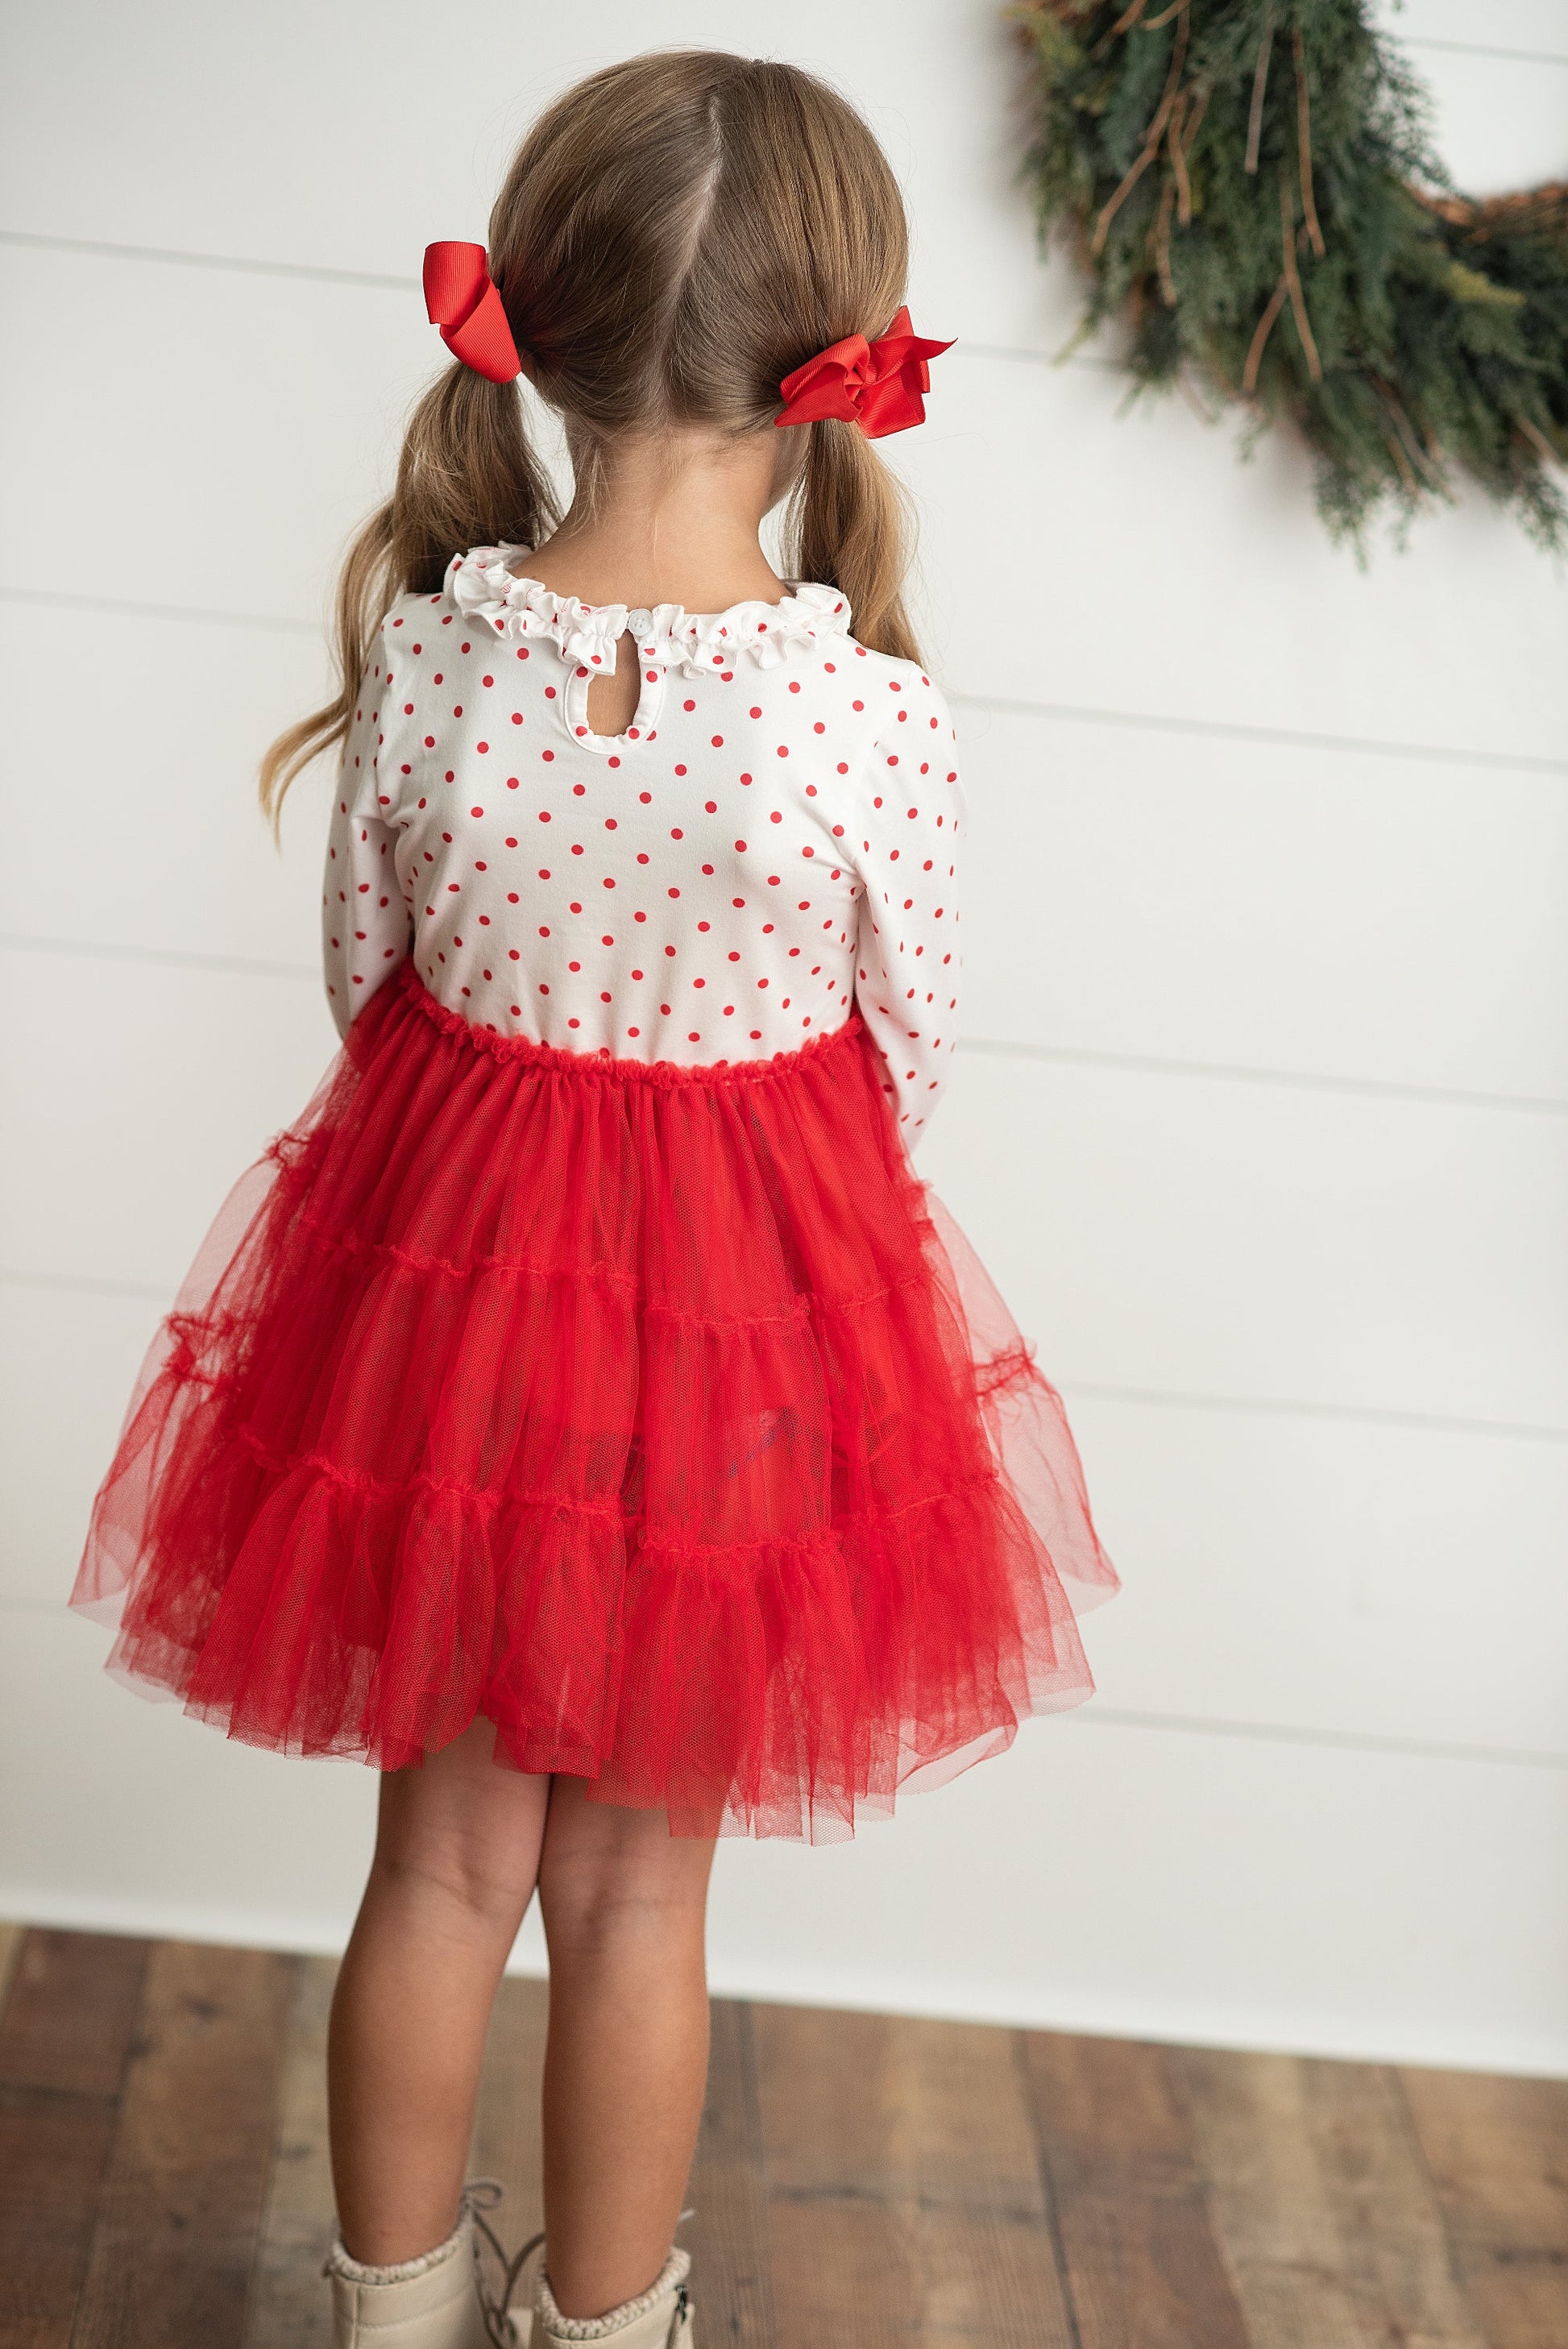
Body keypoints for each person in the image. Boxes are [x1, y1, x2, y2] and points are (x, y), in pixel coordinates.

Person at [72, 48, 1118, 2349]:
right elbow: (907, 1051)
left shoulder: (438, 650)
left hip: (445, 1315)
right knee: (642, 1895)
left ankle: (391, 2312)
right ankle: (613, 2327)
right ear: (833, 358)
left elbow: (371, 982)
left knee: (441, 1868)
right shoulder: (865, 716)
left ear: (535, 328)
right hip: (743, 1337)